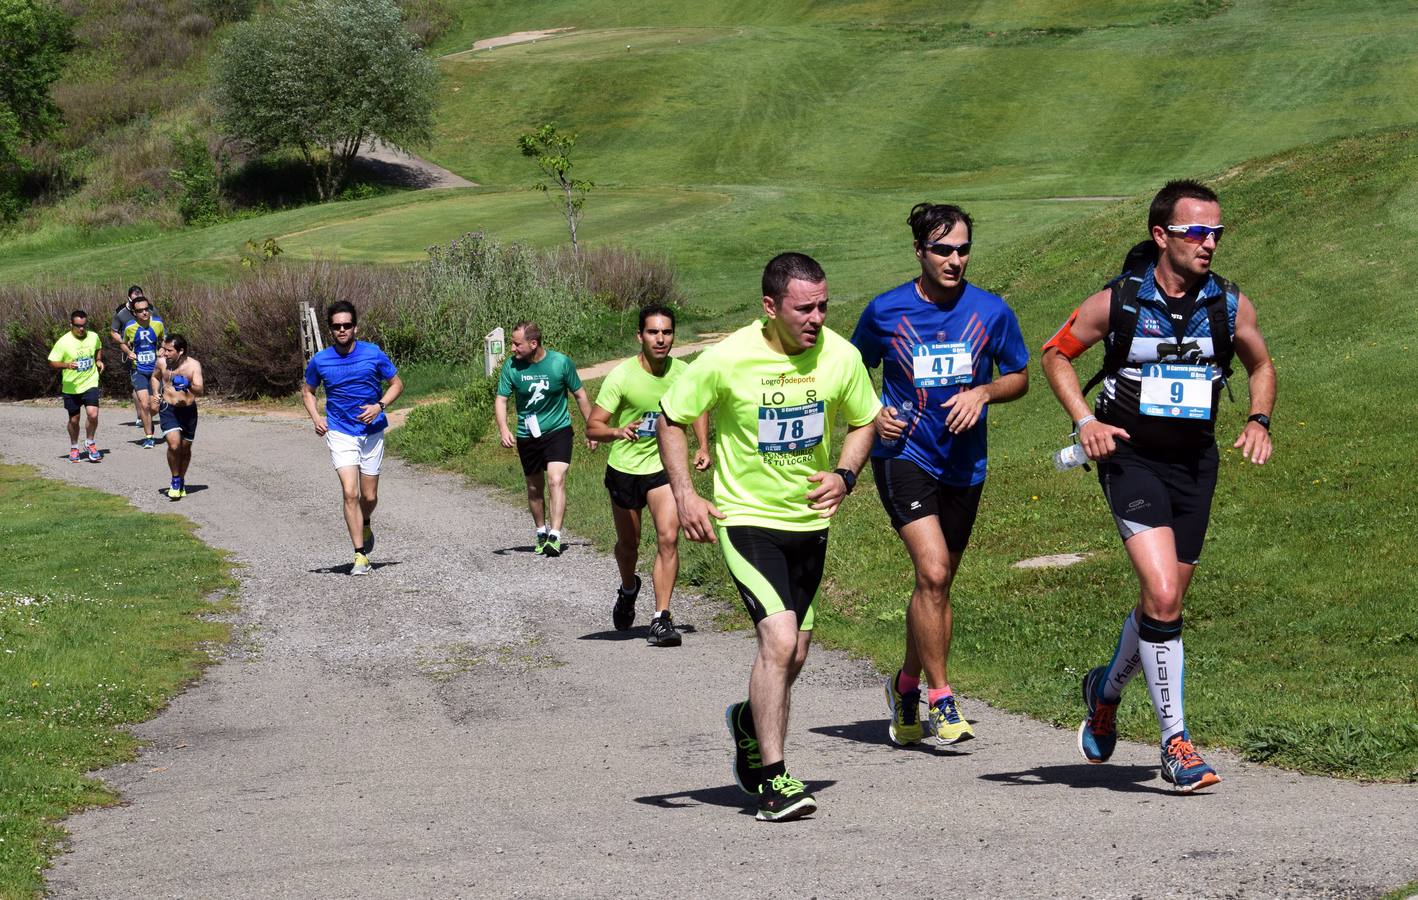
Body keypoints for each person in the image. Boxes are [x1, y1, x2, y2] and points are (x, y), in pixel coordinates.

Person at [1040, 179, 1276, 793]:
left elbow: (1261, 364)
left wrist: (1258, 419)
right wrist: (1085, 421)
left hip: (1195, 465)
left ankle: (1104, 691)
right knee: (1165, 595)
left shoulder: (1228, 304)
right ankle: (1176, 743)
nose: (1210, 243)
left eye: (1217, 233)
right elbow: (1056, 354)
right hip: (1131, 459)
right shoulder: (1118, 302)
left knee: (1160, 604)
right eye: (1198, 231)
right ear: (1161, 235)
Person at [658, 253, 880, 822]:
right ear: (770, 306)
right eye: (804, 308)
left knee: (796, 652)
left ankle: (748, 722)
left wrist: (846, 475)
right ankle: (775, 780)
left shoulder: (842, 356)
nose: (817, 317)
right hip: (746, 518)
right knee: (779, 641)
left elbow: (865, 419)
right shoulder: (728, 358)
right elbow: (671, 418)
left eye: (824, 305)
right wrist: (685, 495)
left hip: (809, 524)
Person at [851, 202, 1030, 748]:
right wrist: (871, 410)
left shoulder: (990, 311)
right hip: (904, 456)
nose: (955, 259)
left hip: (965, 464)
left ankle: (905, 686)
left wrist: (983, 391)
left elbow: (1019, 375)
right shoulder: (886, 311)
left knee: (938, 585)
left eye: (963, 249)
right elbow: (850, 367)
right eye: (943, 249)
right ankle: (941, 696)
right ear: (919, 252)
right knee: (931, 572)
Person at [585, 304, 711, 647]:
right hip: (625, 470)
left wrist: (702, 445)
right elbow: (593, 426)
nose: (660, 339)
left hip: (664, 470)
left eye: (667, 332)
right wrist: (617, 431)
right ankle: (629, 588)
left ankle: (661, 618)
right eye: (653, 332)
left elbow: (697, 407)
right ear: (639, 336)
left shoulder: (683, 372)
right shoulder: (622, 376)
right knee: (629, 545)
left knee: (668, 538)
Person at [301, 300, 403, 576]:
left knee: (368, 496)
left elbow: (397, 384)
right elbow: (308, 390)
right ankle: (360, 556)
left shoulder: (373, 353)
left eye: (347, 325)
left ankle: (365, 519)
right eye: (337, 326)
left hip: (371, 432)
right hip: (340, 431)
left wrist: (379, 406)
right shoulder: (320, 360)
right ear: (331, 330)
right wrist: (316, 418)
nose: (342, 330)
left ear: (355, 327)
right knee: (350, 492)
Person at [495, 321, 596, 558]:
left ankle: (555, 535)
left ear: (533, 343)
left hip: (557, 431)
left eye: (517, 344)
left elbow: (580, 395)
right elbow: (501, 399)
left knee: (555, 478)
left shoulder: (560, 363)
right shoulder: (511, 367)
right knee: (534, 487)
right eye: (512, 343)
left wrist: (592, 428)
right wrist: (503, 428)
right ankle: (541, 530)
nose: (512, 348)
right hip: (527, 434)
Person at [150, 335, 204, 500]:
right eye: (164, 349)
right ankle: (174, 480)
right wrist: (155, 394)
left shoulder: (193, 366)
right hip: (168, 409)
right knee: (174, 446)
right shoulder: (161, 363)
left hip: (188, 411)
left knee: (185, 449)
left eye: (169, 350)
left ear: (180, 351)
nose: (164, 353)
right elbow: (155, 377)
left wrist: (188, 385)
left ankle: (181, 479)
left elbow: (200, 390)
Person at [48, 309, 105, 463]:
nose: (81, 329)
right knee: (74, 420)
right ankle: (74, 447)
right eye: (78, 326)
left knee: (93, 414)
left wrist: (98, 360)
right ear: (71, 324)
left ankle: (90, 442)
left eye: (84, 325)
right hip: (71, 387)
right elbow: (52, 361)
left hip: (90, 382)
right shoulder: (63, 342)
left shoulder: (93, 336)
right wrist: (67, 365)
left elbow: (98, 347)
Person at [120, 296, 166, 448]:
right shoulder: (129, 326)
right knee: (145, 404)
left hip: (155, 371)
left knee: (155, 407)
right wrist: (128, 352)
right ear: (134, 312)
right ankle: (149, 436)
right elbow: (123, 343)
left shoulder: (158, 323)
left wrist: (162, 349)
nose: (145, 313)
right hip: (138, 370)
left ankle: (146, 419)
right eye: (140, 311)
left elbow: (165, 341)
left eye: (147, 309)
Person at [111, 286, 158, 428]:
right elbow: (113, 331)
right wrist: (125, 345)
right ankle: (140, 414)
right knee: (136, 383)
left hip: (150, 350)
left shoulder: (150, 308)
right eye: (135, 301)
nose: (142, 309)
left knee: (153, 381)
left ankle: (149, 410)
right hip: (131, 352)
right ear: (129, 300)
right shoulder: (121, 313)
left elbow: (158, 326)